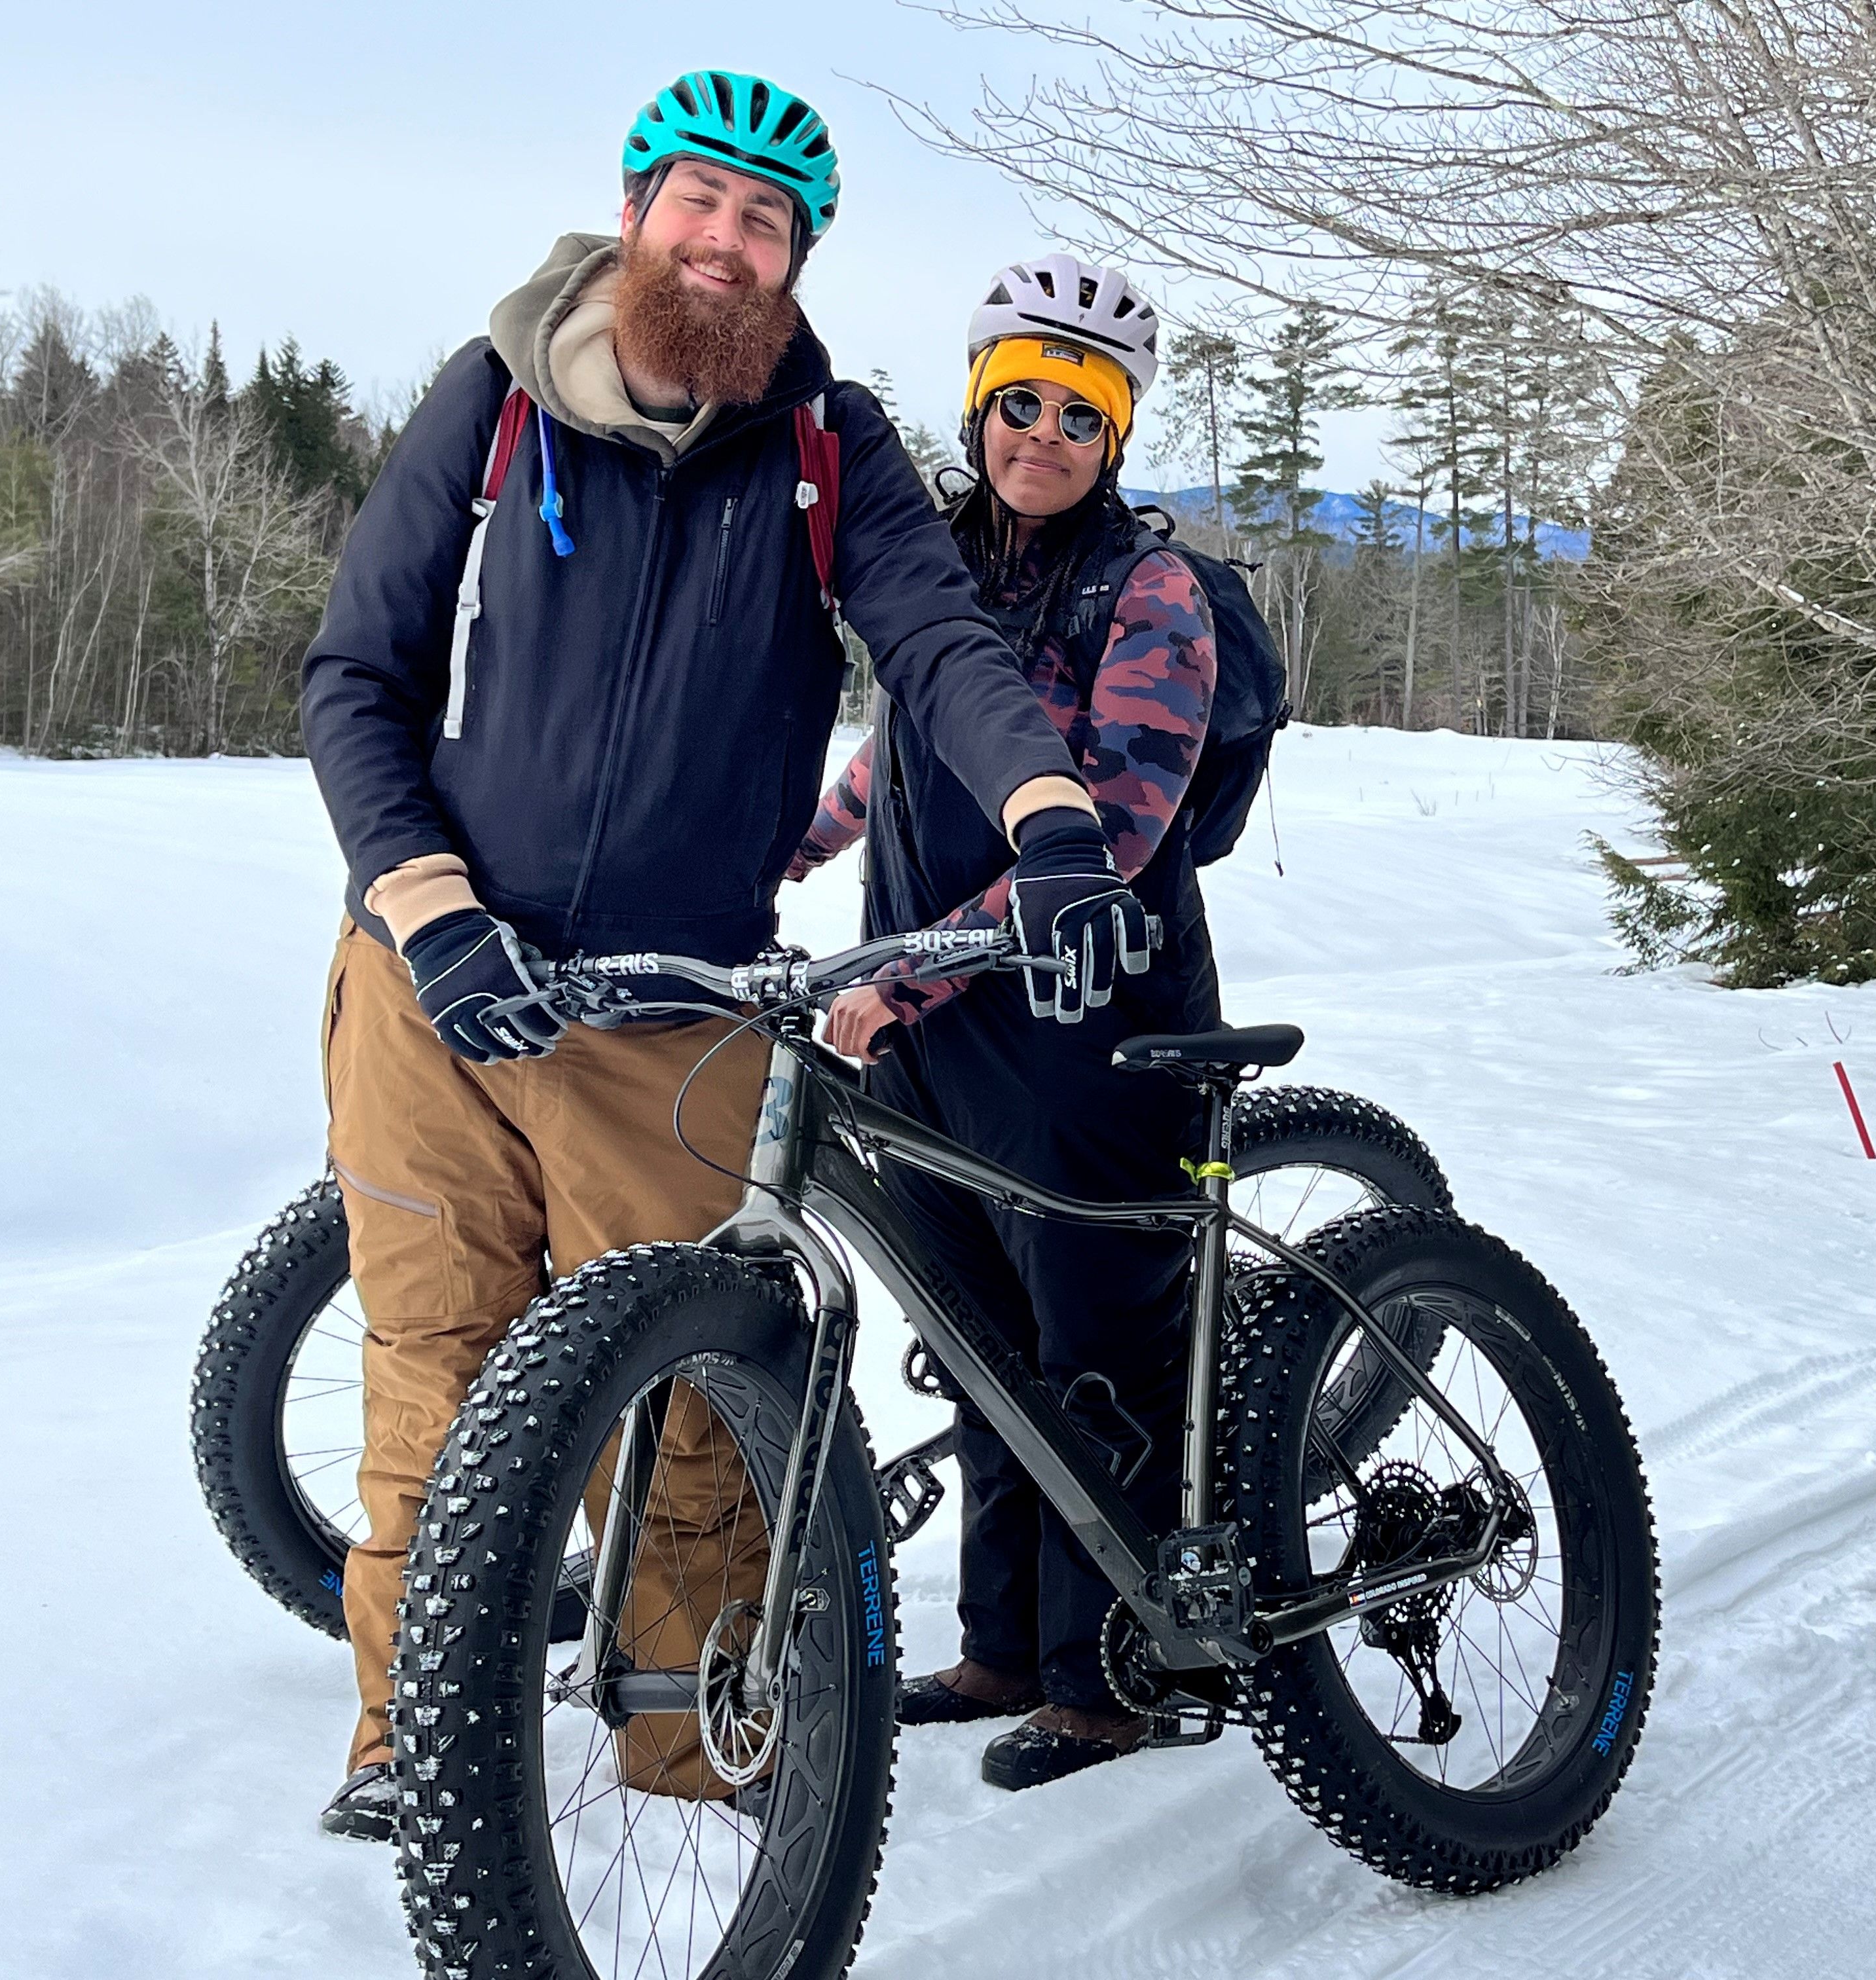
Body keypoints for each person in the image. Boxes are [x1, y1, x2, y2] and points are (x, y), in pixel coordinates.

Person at [298, 81, 1143, 1842]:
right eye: (702, 203)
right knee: (431, 1368)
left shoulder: (828, 445)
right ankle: (402, 1742)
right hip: (437, 982)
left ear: (796, 259)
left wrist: (1052, 810)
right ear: (635, 206)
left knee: (688, 1409)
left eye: (767, 225)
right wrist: (425, 902)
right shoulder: (496, 398)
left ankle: (699, 1754)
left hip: (672, 1012)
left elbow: (942, 645)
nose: (727, 243)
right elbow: (355, 678)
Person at [785, 254, 1221, 1791]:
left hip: (1086, 1028)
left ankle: (1114, 1676)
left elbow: (1111, 825)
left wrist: (902, 972)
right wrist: (802, 842)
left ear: (1114, 437)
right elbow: (902, 756)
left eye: (1077, 416)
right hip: (933, 1025)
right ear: (982, 408)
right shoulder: (950, 576)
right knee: (978, 1340)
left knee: (1090, 1344)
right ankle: (1000, 1647)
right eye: (1018, 404)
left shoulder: (1149, 592)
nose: (1041, 435)